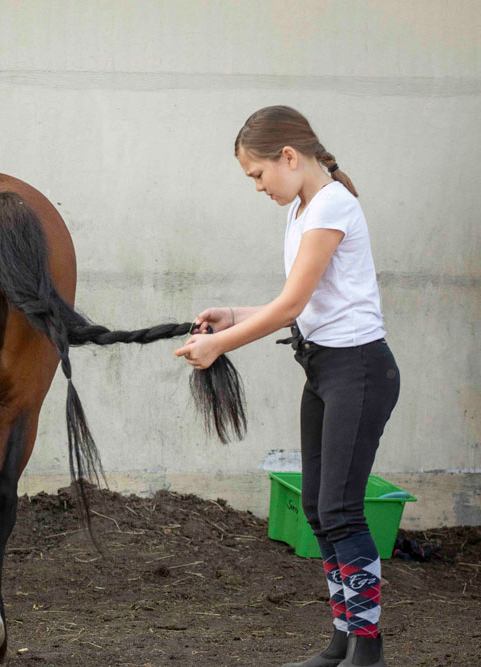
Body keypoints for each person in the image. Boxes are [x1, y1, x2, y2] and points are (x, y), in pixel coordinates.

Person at [175, 106, 399, 667]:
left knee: (343, 510)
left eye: (258, 174)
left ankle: (366, 650)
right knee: (323, 512)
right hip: (324, 370)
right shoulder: (304, 208)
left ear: (290, 157)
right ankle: (341, 641)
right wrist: (232, 314)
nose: (257, 186)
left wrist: (221, 345)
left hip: (360, 371)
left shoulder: (333, 205)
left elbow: (292, 305)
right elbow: (301, 307)